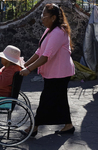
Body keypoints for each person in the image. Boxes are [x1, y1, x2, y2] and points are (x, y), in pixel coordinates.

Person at [20, 3, 75, 136]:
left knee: (46, 100)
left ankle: (33, 127)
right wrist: (25, 64)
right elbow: (39, 51)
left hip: (60, 73)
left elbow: (45, 57)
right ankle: (68, 125)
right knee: (60, 99)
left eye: (44, 16)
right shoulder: (49, 30)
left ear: (53, 17)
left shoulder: (58, 32)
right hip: (55, 72)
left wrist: (28, 69)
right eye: (41, 16)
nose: (42, 19)